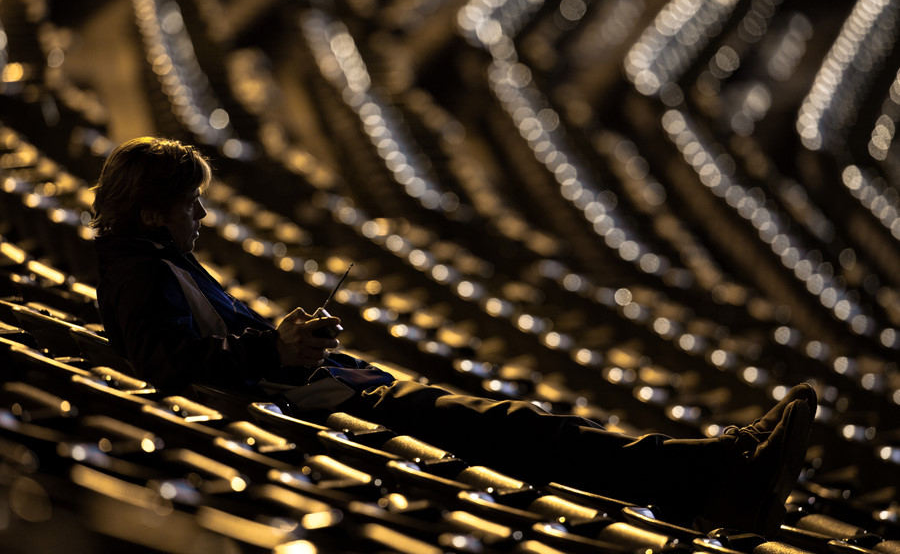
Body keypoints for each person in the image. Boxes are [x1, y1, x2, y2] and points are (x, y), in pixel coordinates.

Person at [92, 136, 816, 538]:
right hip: (330, 410)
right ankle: (715, 475)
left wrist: (294, 341)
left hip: (334, 389)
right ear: (155, 214)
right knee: (527, 431)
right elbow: (170, 363)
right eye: (192, 205)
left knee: (527, 426)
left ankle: (715, 467)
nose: (203, 219)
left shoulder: (156, 260)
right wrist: (274, 350)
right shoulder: (141, 273)